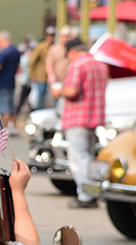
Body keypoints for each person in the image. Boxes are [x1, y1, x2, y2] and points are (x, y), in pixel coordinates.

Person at [51, 38, 108, 209]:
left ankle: (85, 195)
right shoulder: (100, 64)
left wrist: (58, 91)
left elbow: (72, 90)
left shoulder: (78, 65)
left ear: (72, 51)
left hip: (77, 117)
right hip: (94, 116)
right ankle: (91, 191)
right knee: (88, 157)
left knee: (78, 158)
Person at [0, 30, 21, 136]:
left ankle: (7, 127)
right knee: (11, 106)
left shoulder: (4, 52)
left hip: (2, 82)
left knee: (5, 108)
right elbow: (17, 66)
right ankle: (14, 126)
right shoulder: (15, 51)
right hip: (10, 81)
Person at [45, 25, 76, 112]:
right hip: (58, 80)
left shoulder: (73, 49)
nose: (65, 39)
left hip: (69, 81)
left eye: (67, 37)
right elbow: (49, 63)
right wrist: (51, 75)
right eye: (63, 36)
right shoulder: (54, 49)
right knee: (56, 103)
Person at [28, 27, 54, 110]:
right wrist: (32, 75)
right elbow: (32, 61)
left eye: (52, 35)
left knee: (49, 98)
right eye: (49, 36)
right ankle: (37, 113)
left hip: (50, 76)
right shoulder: (41, 47)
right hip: (41, 76)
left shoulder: (54, 47)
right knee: (40, 96)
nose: (50, 38)